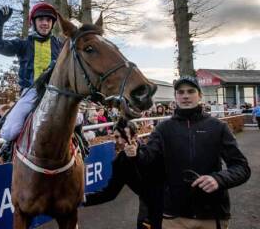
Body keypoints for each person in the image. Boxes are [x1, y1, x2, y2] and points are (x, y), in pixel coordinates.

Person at [125, 76, 251, 229]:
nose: (185, 96)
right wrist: (136, 153)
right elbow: (147, 161)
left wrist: (218, 179)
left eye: (191, 91)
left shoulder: (218, 127)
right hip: (173, 217)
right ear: (175, 96)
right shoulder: (163, 128)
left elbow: (241, 167)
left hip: (212, 215)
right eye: (181, 92)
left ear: (200, 95)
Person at [0, 2, 62, 143]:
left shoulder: (59, 45)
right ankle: (7, 151)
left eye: (48, 20)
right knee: (11, 131)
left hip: (56, 92)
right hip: (31, 93)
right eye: (41, 19)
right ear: (33, 22)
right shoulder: (23, 44)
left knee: (78, 119)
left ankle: (81, 143)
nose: (45, 23)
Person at [84, 119, 163, 229]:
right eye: (116, 137)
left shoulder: (151, 151)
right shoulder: (119, 162)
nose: (119, 141)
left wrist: (136, 157)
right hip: (148, 204)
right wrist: (81, 199)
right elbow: (109, 193)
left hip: (169, 202)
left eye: (123, 137)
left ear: (135, 137)